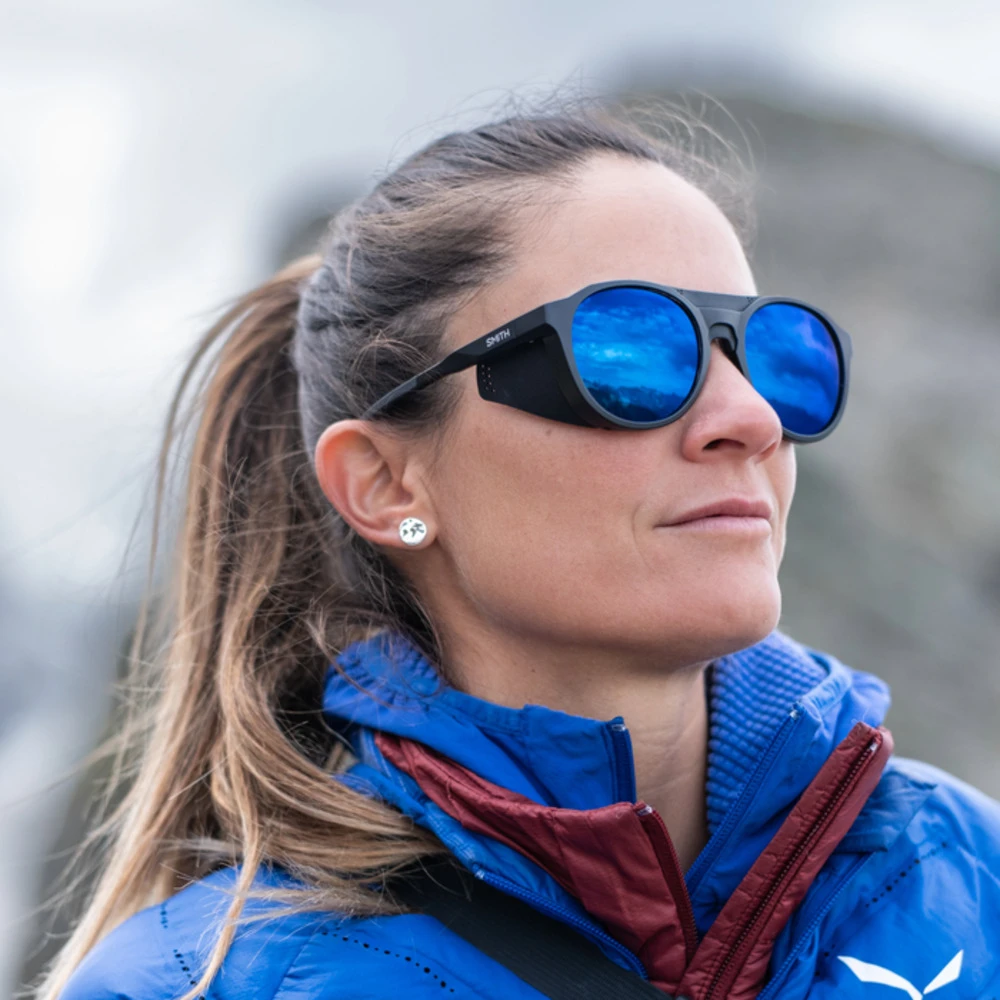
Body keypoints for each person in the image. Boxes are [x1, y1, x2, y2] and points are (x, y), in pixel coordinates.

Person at [41, 104, 1000, 1000]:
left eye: (773, 354)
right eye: (629, 353)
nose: (751, 417)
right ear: (387, 483)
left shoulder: (973, 874)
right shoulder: (196, 983)